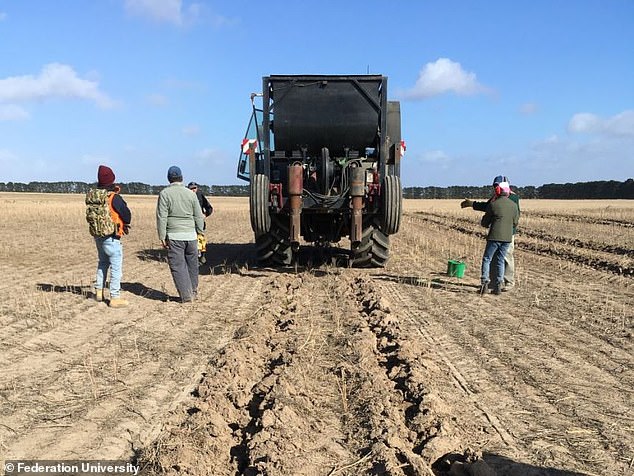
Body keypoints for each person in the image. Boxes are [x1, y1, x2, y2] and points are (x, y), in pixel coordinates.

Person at [461, 175, 521, 290]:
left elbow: (494, 209)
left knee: (505, 257)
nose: (495, 188)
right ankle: (496, 282)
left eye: (496, 186)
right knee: (496, 258)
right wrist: (472, 204)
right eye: (494, 186)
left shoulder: (512, 198)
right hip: (502, 233)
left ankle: (508, 282)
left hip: (508, 233)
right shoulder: (496, 197)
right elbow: (488, 206)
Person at [86, 165, 131, 308]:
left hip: (98, 235)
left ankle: (99, 292)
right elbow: (126, 214)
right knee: (116, 267)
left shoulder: (95, 196)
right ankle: (115, 297)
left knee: (103, 263)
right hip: (112, 237)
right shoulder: (114, 197)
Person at [157, 166, 205, 302]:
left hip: (174, 236)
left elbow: (162, 217)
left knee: (178, 266)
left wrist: (162, 236)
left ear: (168, 179)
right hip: (191, 236)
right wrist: (200, 232)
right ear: (182, 178)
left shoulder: (164, 194)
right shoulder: (191, 194)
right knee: (192, 264)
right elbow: (198, 215)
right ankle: (193, 291)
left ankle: (186, 296)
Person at [478, 181, 519, 295]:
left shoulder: (493, 204)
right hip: (507, 238)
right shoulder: (514, 205)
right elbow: (515, 222)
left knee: (487, 259)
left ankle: (485, 283)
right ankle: (498, 285)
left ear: (498, 192)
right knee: (501, 260)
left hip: (494, 237)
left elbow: (485, 222)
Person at [187, 182, 213, 265]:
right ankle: (193, 258)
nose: (193, 190)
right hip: (189, 223)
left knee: (201, 240)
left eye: (194, 188)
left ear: (197, 188)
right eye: (191, 188)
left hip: (199, 223)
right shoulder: (185, 197)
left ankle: (202, 256)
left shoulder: (200, 195)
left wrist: (205, 215)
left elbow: (209, 208)